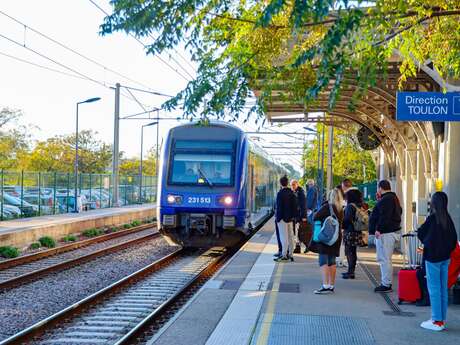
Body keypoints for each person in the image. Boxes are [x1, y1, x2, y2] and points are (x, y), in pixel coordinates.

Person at [417, 192, 457, 331]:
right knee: (442, 288)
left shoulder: (432, 219)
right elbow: (453, 240)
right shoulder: (448, 218)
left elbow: (420, 232)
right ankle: (441, 319)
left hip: (432, 258)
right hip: (445, 259)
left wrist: (427, 245)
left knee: (434, 289)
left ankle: (436, 320)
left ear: (433, 203)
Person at [369, 180, 402, 293]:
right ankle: (386, 282)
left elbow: (384, 216)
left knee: (384, 259)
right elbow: (399, 212)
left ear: (380, 188)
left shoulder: (386, 199)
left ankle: (386, 284)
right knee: (386, 259)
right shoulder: (393, 198)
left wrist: (379, 229)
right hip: (390, 232)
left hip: (386, 233)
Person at [311, 187, 344, 294]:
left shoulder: (327, 207)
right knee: (332, 261)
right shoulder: (340, 209)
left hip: (326, 237)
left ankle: (325, 285)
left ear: (330, 196)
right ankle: (331, 285)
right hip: (336, 237)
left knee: (323, 261)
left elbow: (315, 217)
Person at [342, 189, 365, 279]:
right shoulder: (360, 205)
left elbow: (347, 219)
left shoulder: (350, 206)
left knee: (348, 251)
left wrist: (342, 225)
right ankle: (351, 270)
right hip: (357, 231)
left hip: (350, 231)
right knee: (353, 251)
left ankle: (350, 272)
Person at [274, 176, 298, 262]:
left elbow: (279, 207)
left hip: (282, 219)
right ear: (287, 183)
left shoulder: (280, 193)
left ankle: (284, 255)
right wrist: (293, 216)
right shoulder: (292, 193)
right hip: (290, 219)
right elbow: (295, 206)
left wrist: (278, 218)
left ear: (280, 183)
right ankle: (291, 254)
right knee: (290, 236)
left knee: (283, 237)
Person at [291, 179, 307, 253]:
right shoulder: (296, 192)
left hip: (299, 216)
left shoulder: (300, 192)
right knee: (297, 232)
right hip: (296, 216)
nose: (292, 186)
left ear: (297, 184)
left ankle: (298, 247)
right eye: (291, 185)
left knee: (298, 231)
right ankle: (298, 246)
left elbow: (303, 205)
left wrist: (304, 216)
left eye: (294, 184)